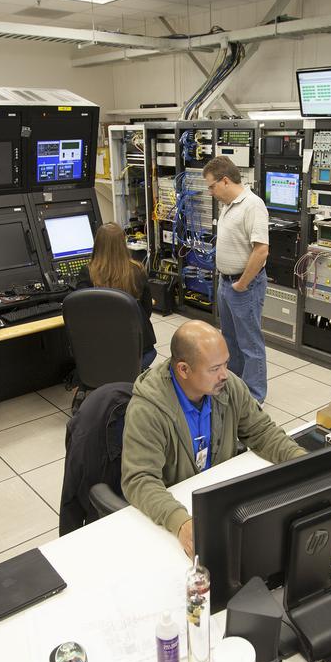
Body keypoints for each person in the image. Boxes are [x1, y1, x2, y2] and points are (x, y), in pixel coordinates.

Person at [121, 320, 306, 557]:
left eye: (226, 364)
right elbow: (139, 479)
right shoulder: (148, 409)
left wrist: (303, 462)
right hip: (173, 510)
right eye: (214, 368)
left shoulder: (229, 388)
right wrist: (180, 522)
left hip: (221, 502)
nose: (224, 375)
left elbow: (263, 432)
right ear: (184, 370)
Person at [205, 156, 270, 402]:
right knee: (230, 340)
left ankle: (254, 397)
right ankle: (235, 389)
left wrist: (242, 284)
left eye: (212, 186)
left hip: (245, 286)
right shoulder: (227, 205)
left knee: (250, 344)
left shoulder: (253, 205)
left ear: (225, 180)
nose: (210, 192)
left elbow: (261, 250)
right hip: (226, 283)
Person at [75, 222, 158, 368]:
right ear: (123, 244)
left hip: (101, 352)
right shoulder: (138, 270)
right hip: (138, 352)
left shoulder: (87, 272)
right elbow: (146, 312)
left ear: (97, 244)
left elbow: (81, 314)